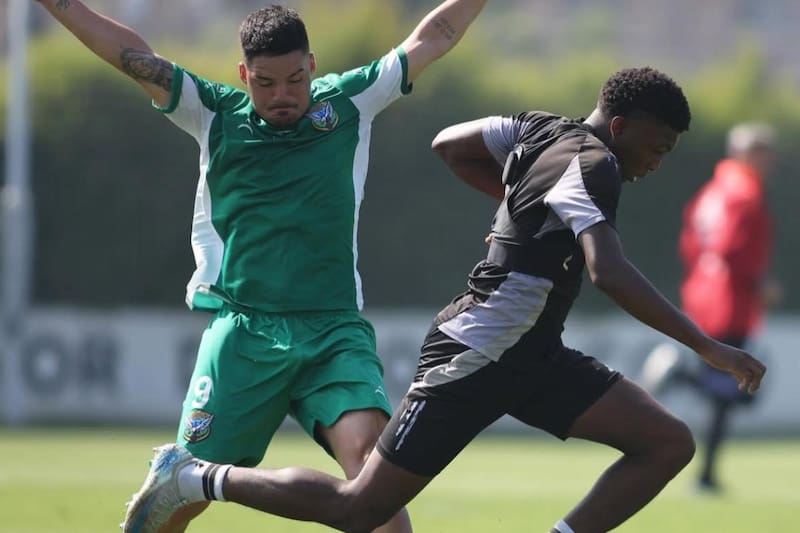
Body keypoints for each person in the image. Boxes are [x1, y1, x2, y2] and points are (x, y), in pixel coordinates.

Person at [116, 67, 767, 533]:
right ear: (621, 125)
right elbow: (610, 270)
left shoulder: (539, 130)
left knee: (666, 442)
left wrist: (518, 209)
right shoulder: (592, 164)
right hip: (478, 352)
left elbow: (450, 143)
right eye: (656, 147)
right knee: (360, 509)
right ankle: (195, 476)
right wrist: (708, 346)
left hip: (531, 353)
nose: (654, 163)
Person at [33, 0, 489, 532]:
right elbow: (132, 54)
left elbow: (433, 35)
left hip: (334, 331)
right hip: (246, 332)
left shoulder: (349, 101)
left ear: (312, 66)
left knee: (375, 486)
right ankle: (180, 481)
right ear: (244, 74)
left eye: (295, 79)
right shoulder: (214, 113)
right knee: (178, 501)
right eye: (266, 83)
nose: (282, 96)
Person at [640, 122, 779, 493]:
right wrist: (760, 281)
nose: (771, 161)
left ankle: (706, 475)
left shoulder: (712, 193)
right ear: (746, 154)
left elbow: (691, 244)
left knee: (730, 388)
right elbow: (735, 250)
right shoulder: (745, 193)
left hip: (704, 293)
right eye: (765, 153)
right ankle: (678, 375)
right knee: (737, 385)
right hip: (730, 300)